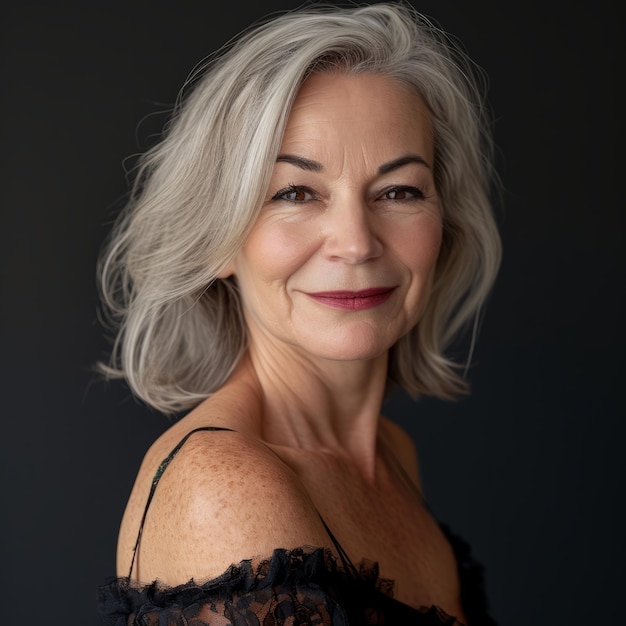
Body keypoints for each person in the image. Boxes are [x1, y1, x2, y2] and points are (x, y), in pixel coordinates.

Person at [97, 2, 501, 624]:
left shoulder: (393, 456)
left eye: (399, 191)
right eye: (295, 193)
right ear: (219, 240)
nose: (357, 241)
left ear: (444, 221)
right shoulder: (225, 490)